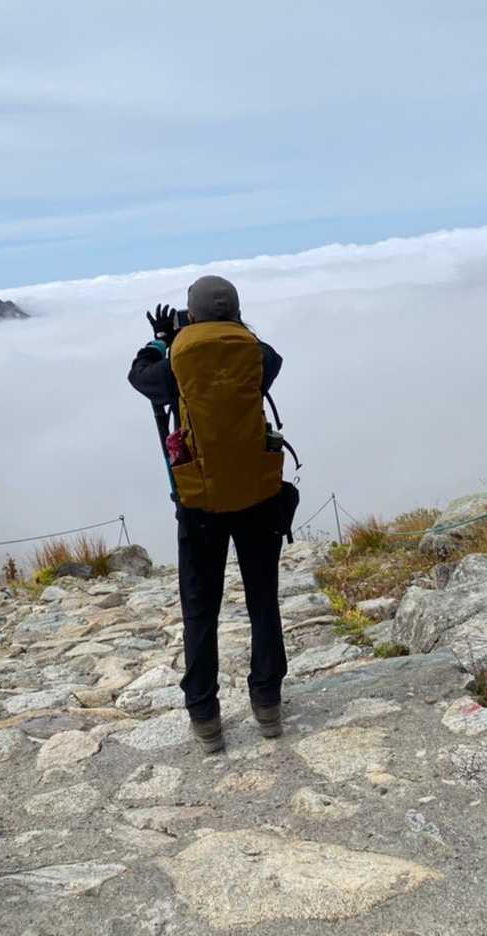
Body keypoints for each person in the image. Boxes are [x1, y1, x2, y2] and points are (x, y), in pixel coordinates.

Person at [128, 275, 292, 753]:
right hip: (259, 494)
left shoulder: (177, 360)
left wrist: (162, 340)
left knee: (200, 609)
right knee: (263, 600)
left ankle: (205, 715)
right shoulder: (258, 354)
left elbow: (140, 377)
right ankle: (267, 702)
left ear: (192, 313)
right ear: (236, 312)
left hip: (199, 500)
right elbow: (270, 362)